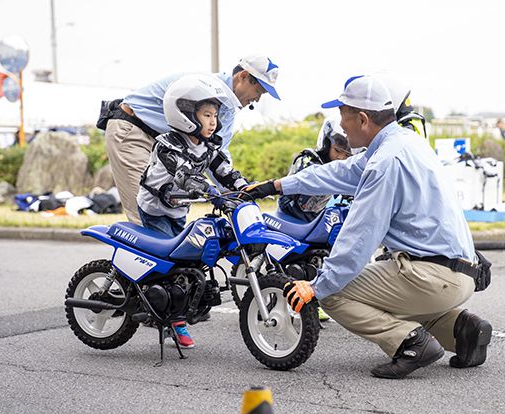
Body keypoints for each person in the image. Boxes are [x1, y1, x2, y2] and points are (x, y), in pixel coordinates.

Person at [242, 75, 492, 379]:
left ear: (362, 119)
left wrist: (316, 286)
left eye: (343, 115)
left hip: (431, 277)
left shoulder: (384, 164)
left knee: (336, 292)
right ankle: (462, 331)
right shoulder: (403, 142)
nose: (341, 125)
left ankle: (409, 344)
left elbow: (358, 239)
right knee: (380, 291)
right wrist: (275, 186)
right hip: (460, 273)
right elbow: (339, 173)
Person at [137, 74, 250, 348]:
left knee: (190, 261)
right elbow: (184, 175)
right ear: (186, 113)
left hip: (179, 210)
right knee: (172, 265)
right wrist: (212, 192)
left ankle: (185, 305)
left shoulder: (207, 147)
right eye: (207, 114)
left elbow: (225, 172)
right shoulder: (168, 144)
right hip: (155, 210)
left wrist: (248, 188)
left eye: (215, 115)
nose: (213, 121)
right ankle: (170, 319)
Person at [99, 54, 280, 225]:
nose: (257, 99)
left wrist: (238, 189)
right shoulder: (202, 87)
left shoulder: (226, 106)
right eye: (259, 91)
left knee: (172, 214)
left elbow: (215, 155)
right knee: (149, 214)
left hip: (164, 143)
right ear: (243, 76)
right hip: (135, 130)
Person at [278, 117, 352, 222]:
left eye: (347, 155)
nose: (341, 157)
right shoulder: (308, 161)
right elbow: (318, 179)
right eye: (337, 150)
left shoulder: (340, 170)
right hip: (290, 215)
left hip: (313, 219)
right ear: (326, 144)